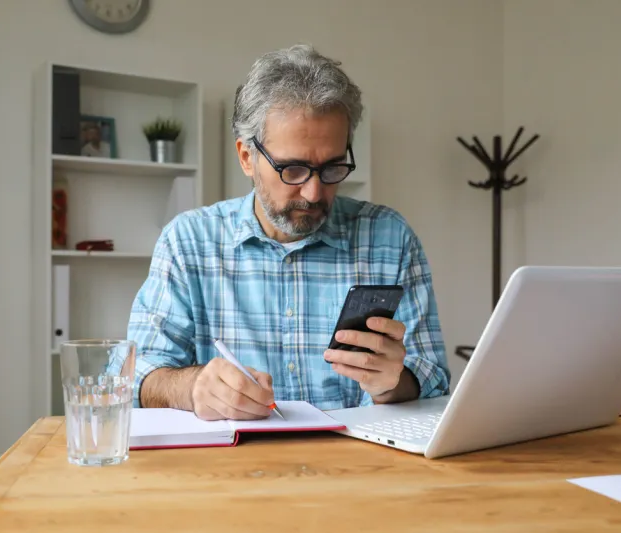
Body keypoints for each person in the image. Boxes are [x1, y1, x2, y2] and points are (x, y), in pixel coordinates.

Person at [127, 44, 450, 421]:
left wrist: (392, 383)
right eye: (293, 170)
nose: (314, 193)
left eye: (332, 168)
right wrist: (194, 386)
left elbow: (433, 377)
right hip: (233, 470)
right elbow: (137, 376)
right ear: (247, 157)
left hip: (359, 470)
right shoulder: (187, 242)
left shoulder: (389, 238)